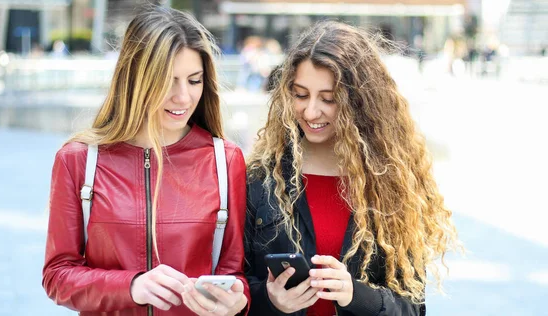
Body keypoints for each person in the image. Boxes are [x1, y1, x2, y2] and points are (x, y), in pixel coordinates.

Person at [42, 6, 249, 316]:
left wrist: (239, 300)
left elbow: (234, 273)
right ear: (136, 79)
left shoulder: (225, 160)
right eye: (168, 81)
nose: (183, 97)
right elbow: (57, 276)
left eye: (194, 81)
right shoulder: (78, 161)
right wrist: (131, 286)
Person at [244, 21, 459, 316]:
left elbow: (412, 308)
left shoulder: (390, 183)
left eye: (328, 99)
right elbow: (235, 285)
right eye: (301, 95)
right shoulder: (261, 178)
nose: (310, 111)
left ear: (359, 101)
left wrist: (354, 295)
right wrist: (271, 301)